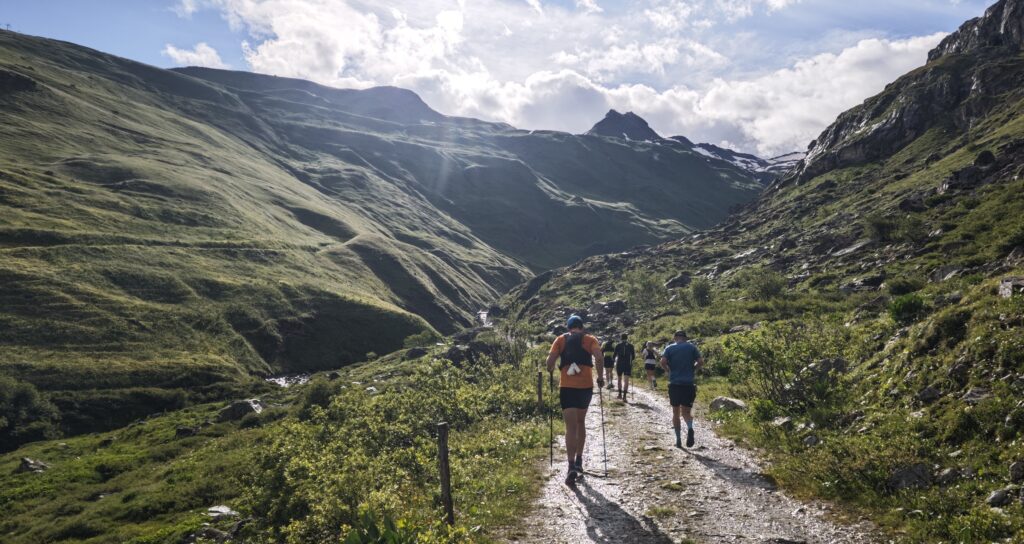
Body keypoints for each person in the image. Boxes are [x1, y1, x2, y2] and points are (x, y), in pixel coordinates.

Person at [546, 315, 606, 486]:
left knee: (570, 426)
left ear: (569, 327)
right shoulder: (590, 339)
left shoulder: (560, 339)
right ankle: (579, 460)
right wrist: (600, 377)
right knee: (581, 422)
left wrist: (550, 368)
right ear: (581, 327)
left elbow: (550, 361)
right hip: (585, 387)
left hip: (567, 387)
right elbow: (599, 358)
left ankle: (570, 464)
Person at [659, 330, 704, 449]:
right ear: (685, 338)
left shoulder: (669, 348)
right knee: (686, 412)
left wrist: (668, 370)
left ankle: (678, 439)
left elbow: (662, 361)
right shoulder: (691, 347)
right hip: (688, 384)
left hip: (675, 384)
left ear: (675, 338)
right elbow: (700, 362)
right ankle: (690, 428)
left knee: (675, 412)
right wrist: (693, 369)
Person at [613, 333, 635, 401]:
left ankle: (619, 394)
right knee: (626, 380)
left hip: (619, 364)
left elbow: (614, 356)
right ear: (627, 338)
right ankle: (624, 396)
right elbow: (633, 356)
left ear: (621, 338)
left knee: (619, 379)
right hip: (627, 364)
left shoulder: (618, 345)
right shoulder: (631, 346)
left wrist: (614, 361)